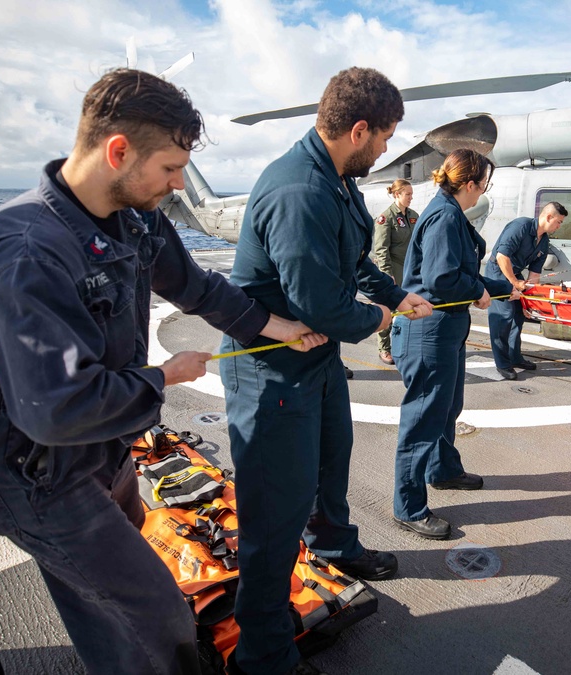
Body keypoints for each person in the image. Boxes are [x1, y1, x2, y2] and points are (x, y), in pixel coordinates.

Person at [0, 69, 323, 675]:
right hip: (37, 469)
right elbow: (53, 408)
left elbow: (194, 285)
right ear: (118, 151)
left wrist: (277, 328)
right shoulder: (28, 249)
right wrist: (162, 377)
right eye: (170, 169)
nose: (176, 185)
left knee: (102, 603)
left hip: (107, 447)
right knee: (156, 616)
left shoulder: (134, 217)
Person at [220, 67, 433, 674]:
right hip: (270, 372)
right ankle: (263, 655)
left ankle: (334, 546)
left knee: (332, 457)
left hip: (313, 361)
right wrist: (380, 323)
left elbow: (352, 259)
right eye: (386, 138)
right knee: (275, 512)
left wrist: (392, 294)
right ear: (359, 130)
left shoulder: (334, 178)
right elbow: (319, 302)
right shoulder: (301, 190)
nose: (388, 150)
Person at [392, 149, 517, 540]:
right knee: (423, 419)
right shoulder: (445, 216)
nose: (484, 190)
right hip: (428, 334)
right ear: (470, 185)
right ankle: (408, 506)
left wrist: (507, 289)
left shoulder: (447, 211)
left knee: (447, 407)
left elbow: (461, 273)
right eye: (485, 184)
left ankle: (442, 470)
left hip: (444, 332)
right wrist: (481, 290)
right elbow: (442, 278)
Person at [486, 202, 567, 380]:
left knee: (518, 316)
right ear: (548, 217)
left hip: (514, 274)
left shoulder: (544, 241)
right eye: (559, 222)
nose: (559, 226)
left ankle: (515, 357)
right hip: (498, 271)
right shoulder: (520, 227)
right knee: (504, 316)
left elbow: (534, 274)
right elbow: (502, 256)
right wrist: (514, 282)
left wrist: (528, 301)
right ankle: (503, 363)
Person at [373, 179, 419, 365]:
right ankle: (384, 348)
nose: (410, 198)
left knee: (410, 309)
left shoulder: (414, 216)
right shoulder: (386, 218)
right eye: (407, 194)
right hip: (393, 270)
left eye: (411, 194)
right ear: (397, 194)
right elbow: (381, 249)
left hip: (410, 270)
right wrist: (386, 274)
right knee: (389, 309)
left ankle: (406, 345)